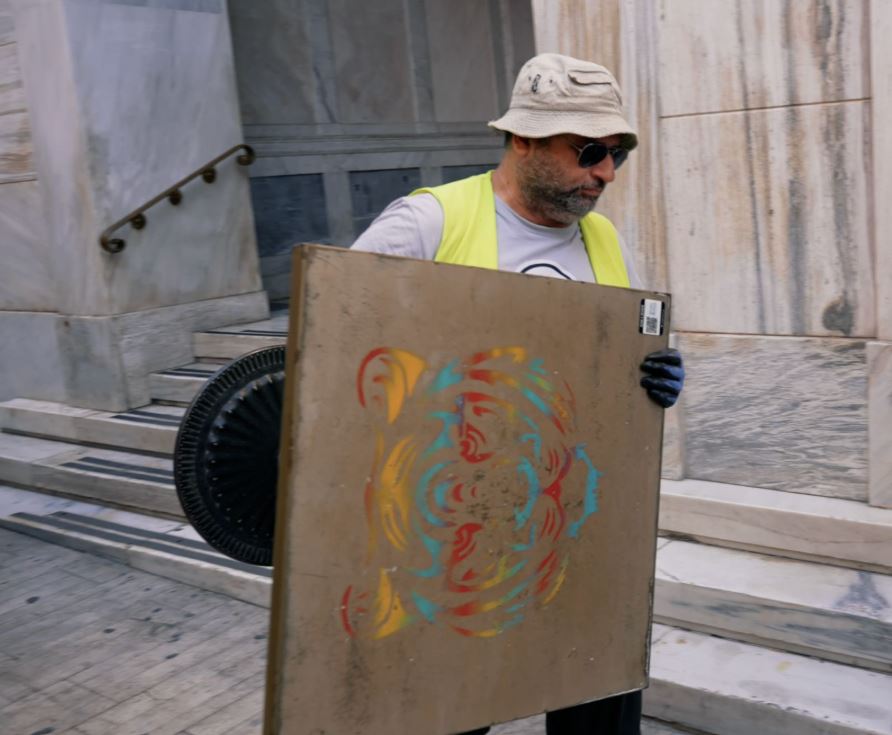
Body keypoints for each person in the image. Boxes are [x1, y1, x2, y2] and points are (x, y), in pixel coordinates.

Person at [351, 52, 685, 735]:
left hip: (574, 526)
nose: (606, 173)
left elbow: (615, 360)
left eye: (617, 154)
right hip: (454, 540)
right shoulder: (428, 223)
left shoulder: (602, 238)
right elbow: (341, 356)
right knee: (448, 712)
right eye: (589, 151)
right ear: (524, 138)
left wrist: (649, 379)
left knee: (599, 698)